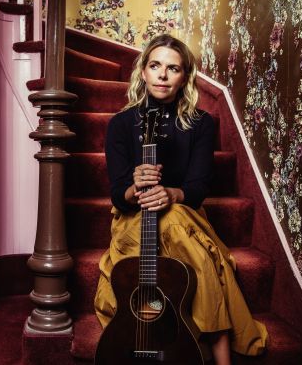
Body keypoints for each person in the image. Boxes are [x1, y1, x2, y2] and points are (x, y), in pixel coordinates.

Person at [93, 34, 268, 364]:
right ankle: (220, 352)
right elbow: (118, 192)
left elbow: (198, 187)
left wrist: (171, 193)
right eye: (155, 65)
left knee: (175, 226)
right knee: (181, 254)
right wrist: (135, 186)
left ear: (184, 76)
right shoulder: (120, 124)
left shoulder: (200, 124)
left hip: (184, 213)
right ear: (142, 72)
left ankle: (214, 343)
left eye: (172, 68)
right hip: (134, 216)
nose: (162, 75)